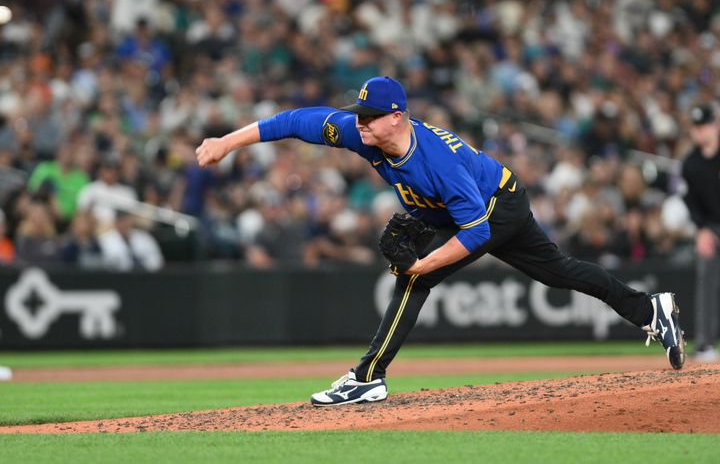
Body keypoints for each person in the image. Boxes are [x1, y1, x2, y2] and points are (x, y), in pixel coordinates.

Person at [196, 76, 686, 406]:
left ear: (397, 116)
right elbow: (292, 122)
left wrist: (425, 266)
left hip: (495, 203)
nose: (359, 121)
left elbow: (476, 230)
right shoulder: (360, 132)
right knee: (561, 271)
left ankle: (368, 378)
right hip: (451, 207)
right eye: (358, 113)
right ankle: (649, 310)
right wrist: (225, 142)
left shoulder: (437, 161)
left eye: (369, 115)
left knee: (413, 279)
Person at [680, 103, 720, 363]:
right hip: (711, 228)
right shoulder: (690, 164)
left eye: (703, 125)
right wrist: (702, 230)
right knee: (706, 280)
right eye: (696, 126)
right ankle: (705, 343)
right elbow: (691, 202)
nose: (699, 131)